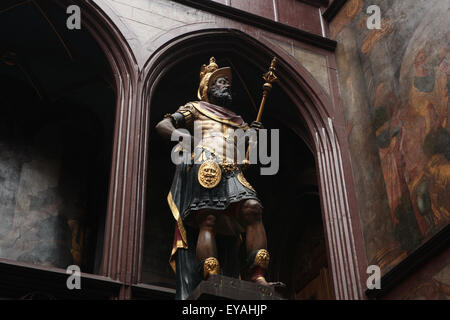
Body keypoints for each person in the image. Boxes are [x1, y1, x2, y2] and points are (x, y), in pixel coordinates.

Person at [155, 57, 271, 299]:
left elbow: (248, 154)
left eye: (227, 83)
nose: (226, 86)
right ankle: (211, 275)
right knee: (207, 218)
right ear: (207, 87)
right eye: (220, 82)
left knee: (252, 209)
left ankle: (257, 273)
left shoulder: (239, 120)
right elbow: (162, 125)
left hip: (232, 169)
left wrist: (253, 138)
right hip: (207, 164)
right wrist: (183, 138)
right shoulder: (195, 108)